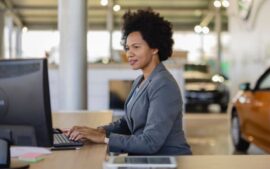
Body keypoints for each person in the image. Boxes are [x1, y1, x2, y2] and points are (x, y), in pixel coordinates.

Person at [66, 8, 192, 155]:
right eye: (127, 48)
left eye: (136, 47)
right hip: (146, 160)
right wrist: (97, 131)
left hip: (167, 160)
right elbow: (127, 123)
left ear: (154, 48)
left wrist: (103, 138)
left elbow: (150, 143)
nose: (129, 54)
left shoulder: (164, 85)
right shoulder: (140, 80)